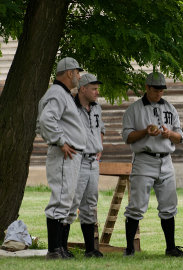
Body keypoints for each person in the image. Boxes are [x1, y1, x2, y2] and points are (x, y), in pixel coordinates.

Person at [121, 72, 183, 257]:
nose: (160, 93)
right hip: (144, 159)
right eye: (156, 89)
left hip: (166, 159)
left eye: (162, 90)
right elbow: (127, 136)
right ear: (147, 88)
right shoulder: (134, 109)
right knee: (136, 205)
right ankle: (129, 249)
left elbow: (179, 137)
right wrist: (145, 131)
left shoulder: (170, 108)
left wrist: (169, 134)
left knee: (169, 205)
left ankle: (171, 248)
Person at [36, 57, 86, 259]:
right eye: (77, 72)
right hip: (64, 153)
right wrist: (60, 141)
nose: (79, 76)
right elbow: (46, 120)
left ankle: (61, 248)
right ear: (69, 73)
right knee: (61, 199)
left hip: (72, 154)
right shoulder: (57, 93)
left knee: (70, 201)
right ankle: (54, 250)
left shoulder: (64, 94)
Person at [64, 74, 105, 258]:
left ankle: (90, 249)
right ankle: (61, 248)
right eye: (94, 89)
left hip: (93, 162)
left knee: (90, 205)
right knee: (71, 202)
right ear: (82, 89)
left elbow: (101, 129)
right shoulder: (70, 108)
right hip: (77, 160)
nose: (97, 92)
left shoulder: (97, 108)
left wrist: (99, 147)